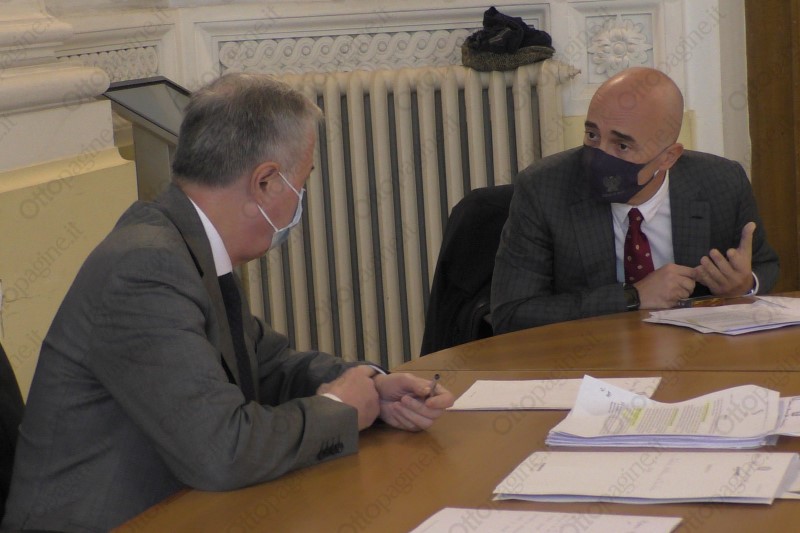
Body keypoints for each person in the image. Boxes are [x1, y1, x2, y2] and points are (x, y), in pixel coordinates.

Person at [2, 73, 454, 532]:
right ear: (266, 182)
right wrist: (339, 408)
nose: (302, 197)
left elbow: (268, 366)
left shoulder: (185, 244)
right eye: (303, 181)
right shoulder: (145, 267)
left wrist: (370, 386)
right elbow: (222, 451)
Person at [491, 67, 779, 333]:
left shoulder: (722, 182)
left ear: (668, 157)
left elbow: (764, 265)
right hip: (590, 355)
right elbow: (512, 313)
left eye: (622, 145)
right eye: (592, 135)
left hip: (692, 352)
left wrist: (743, 286)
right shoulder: (543, 187)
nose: (599, 155)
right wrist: (632, 296)